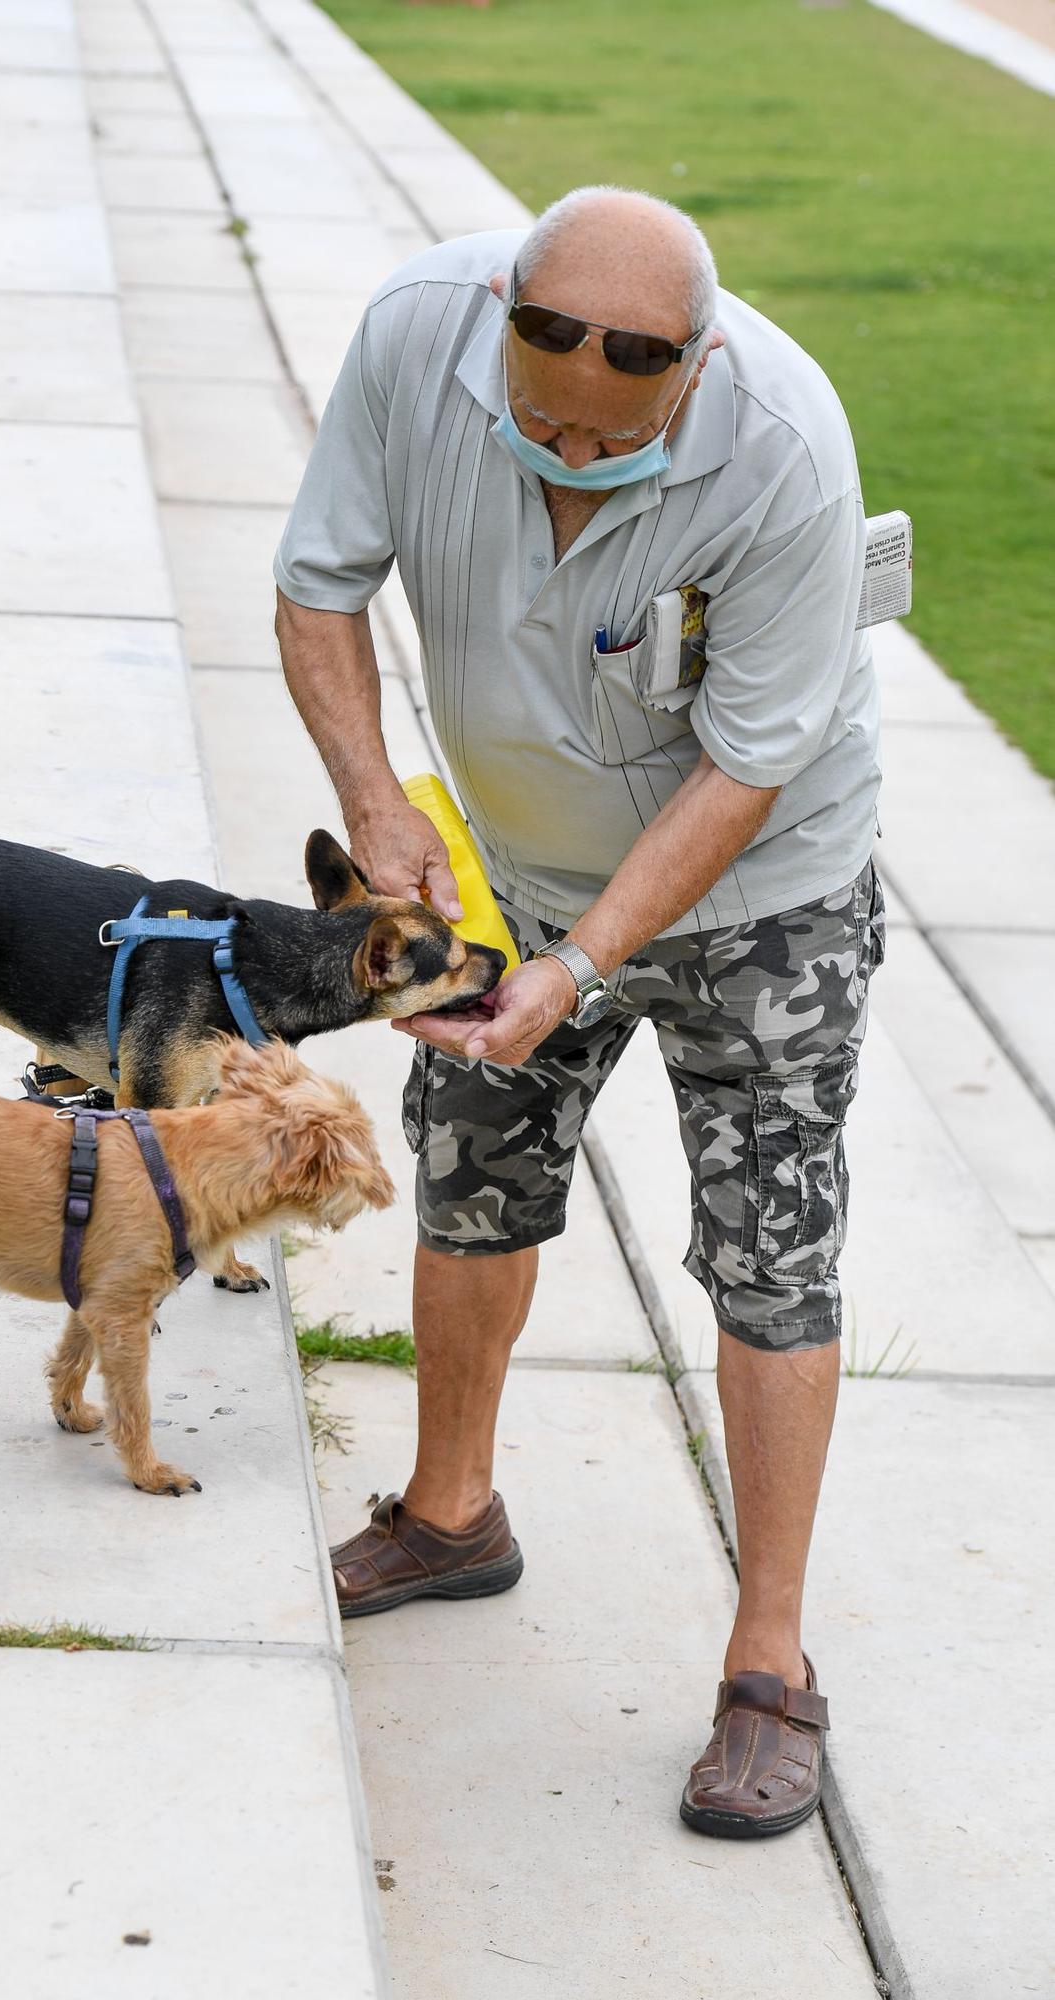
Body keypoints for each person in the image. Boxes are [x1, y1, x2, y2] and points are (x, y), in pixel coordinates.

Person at [273, 185, 883, 1839]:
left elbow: (749, 765)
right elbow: (318, 586)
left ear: (687, 372)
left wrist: (581, 970)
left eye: (603, 433)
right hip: (515, 877)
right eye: (535, 417)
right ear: (499, 320)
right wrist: (372, 801)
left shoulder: (780, 450)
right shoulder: (416, 333)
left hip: (764, 901)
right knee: (469, 1182)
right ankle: (451, 1512)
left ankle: (768, 1664)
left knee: (769, 1256)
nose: (560, 449)